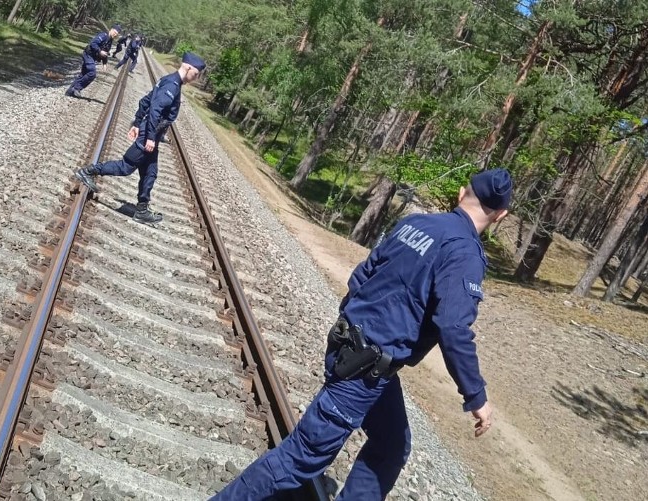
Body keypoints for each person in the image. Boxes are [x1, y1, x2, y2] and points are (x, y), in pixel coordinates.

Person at [212, 168, 513, 501]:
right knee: (299, 458)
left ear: (461, 194)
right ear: (501, 215)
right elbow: (453, 328)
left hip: (351, 348)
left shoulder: (418, 224)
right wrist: (477, 396)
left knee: (392, 442)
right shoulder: (465, 255)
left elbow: (362, 275)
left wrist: (354, 326)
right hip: (365, 369)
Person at [73, 52, 207, 224]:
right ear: (188, 68)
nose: (195, 78)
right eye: (195, 74)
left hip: (152, 134)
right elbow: (155, 111)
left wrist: (136, 123)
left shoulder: (170, 81)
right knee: (126, 167)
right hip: (149, 135)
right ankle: (87, 172)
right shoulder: (172, 85)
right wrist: (150, 137)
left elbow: (145, 101)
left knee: (150, 172)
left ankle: (142, 209)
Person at [65, 24, 122, 99]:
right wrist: (99, 51)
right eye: (114, 32)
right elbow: (93, 43)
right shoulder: (103, 35)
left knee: (83, 74)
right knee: (92, 73)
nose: (115, 34)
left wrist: (104, 63)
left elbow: (105, 52)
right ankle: (76, 88)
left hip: (93, 57)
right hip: (88, 55)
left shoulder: (110, 40)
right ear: (111, 30)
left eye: (116, 34)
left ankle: (69, 92)